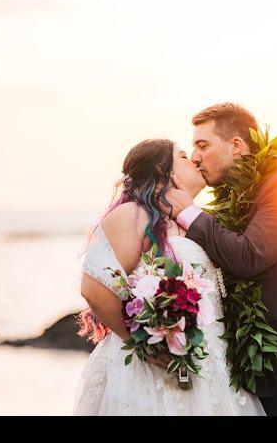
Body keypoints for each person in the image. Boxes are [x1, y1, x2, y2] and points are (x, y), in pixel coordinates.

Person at [72, 138, 266, 416]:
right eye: (185, 156)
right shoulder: (133, 215)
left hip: (210, 369)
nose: (196, 160)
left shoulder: (195, 222)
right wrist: (146, 343)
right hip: (150, 373)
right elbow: (95, 286)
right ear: (163, 170)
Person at [164, 102, 277, 416]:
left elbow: (248, 255)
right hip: (248, 365)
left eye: (203, 145)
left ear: (237, 145)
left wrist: (189, 212)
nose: (196, 156)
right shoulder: (240, 194)